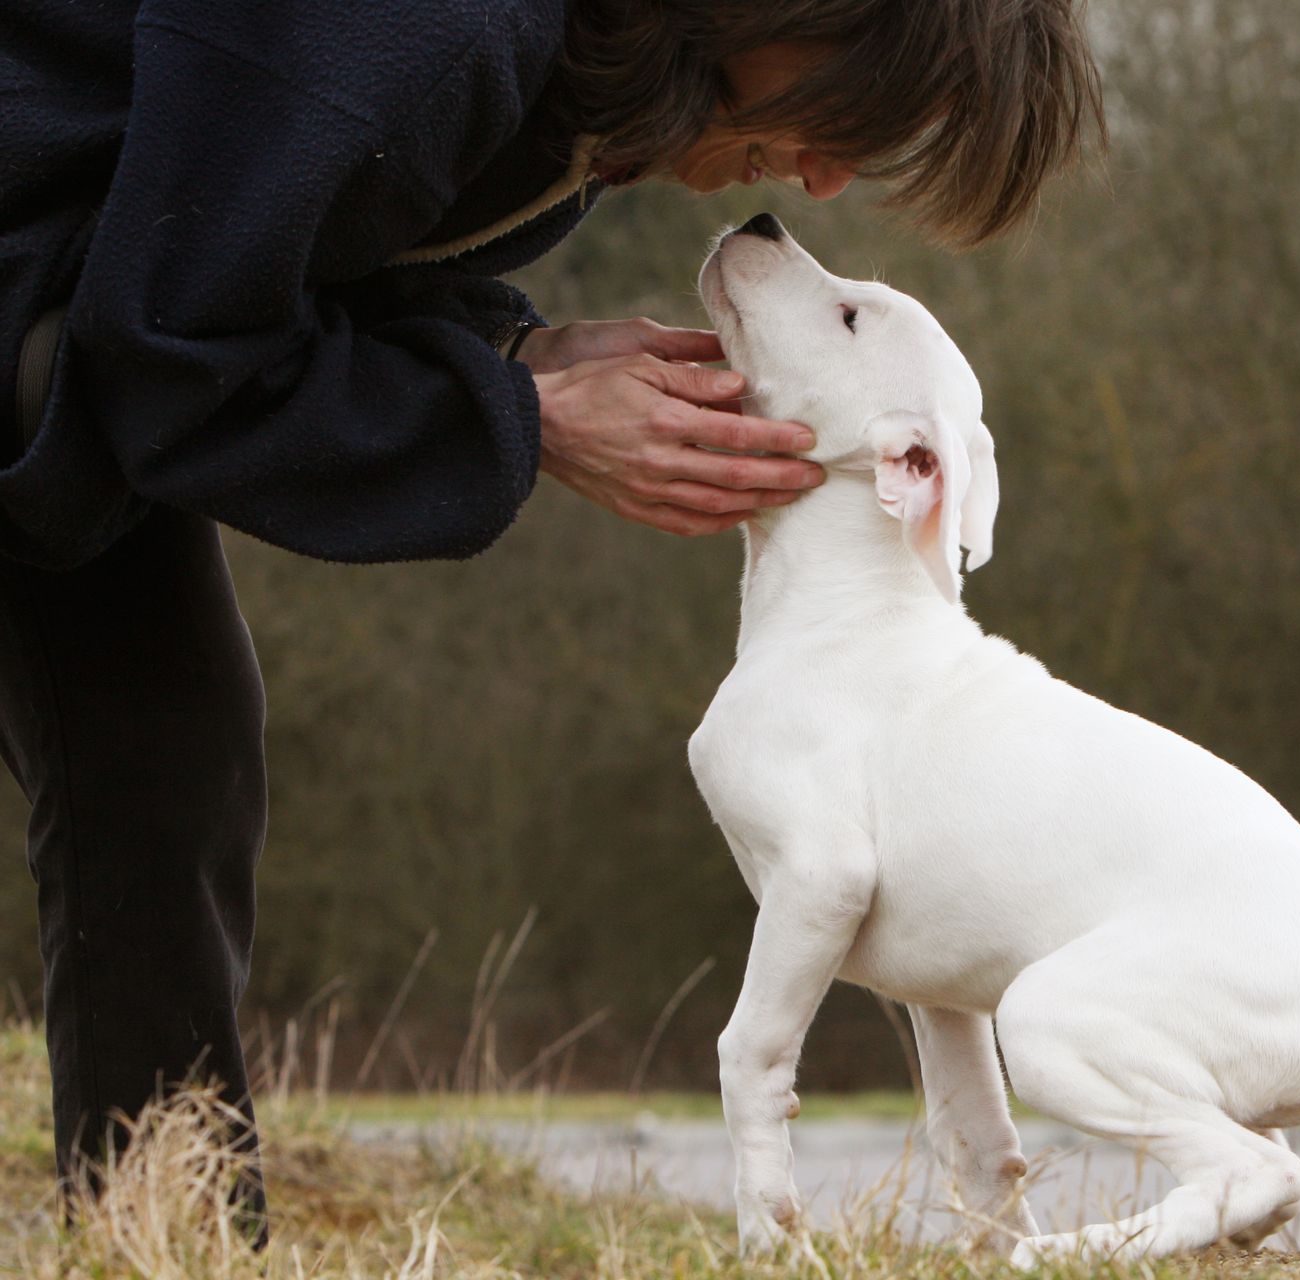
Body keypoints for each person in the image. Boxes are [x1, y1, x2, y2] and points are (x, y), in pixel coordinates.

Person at [0, 0, 1101, 1227]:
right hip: (70, 324)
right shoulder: (442, 26)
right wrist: (524, 416)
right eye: (854, 105)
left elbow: (278, 249)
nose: (829, 177)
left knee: (163, 753)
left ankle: (165, 1231)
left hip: (77, 314)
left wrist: (516, 354)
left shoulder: (585, 90)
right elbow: (164, 363)